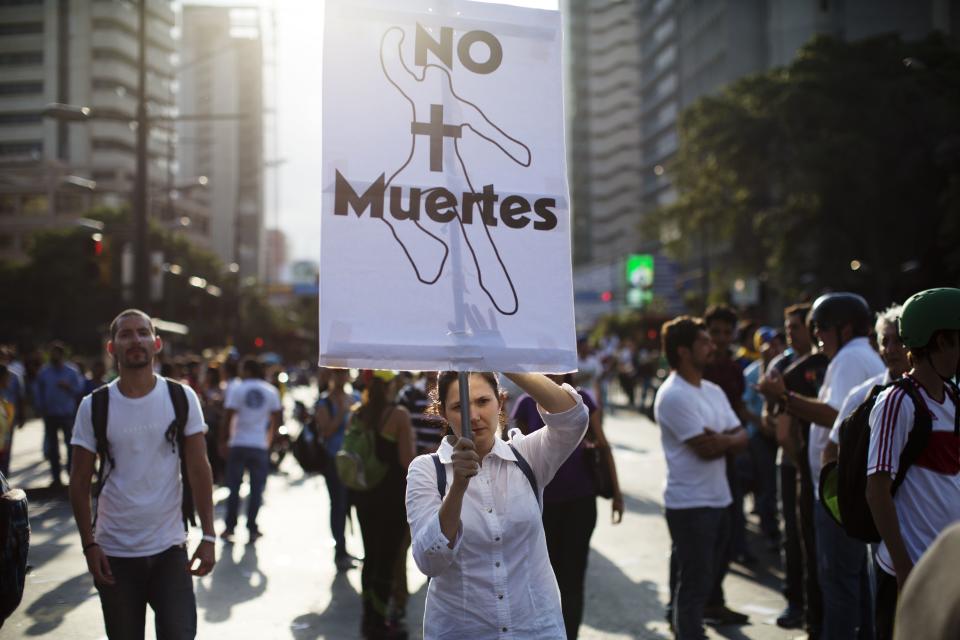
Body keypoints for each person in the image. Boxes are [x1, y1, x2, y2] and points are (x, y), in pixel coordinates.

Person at [68, 309, 215, 639]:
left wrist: (208, 535)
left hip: (170, 550)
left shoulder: (181, 397)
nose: (135, 340)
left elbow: (198, 468)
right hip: (114, 554)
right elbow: (78, 482)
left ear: (157, 343)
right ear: (112, 348)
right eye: (125, 334)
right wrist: (89, 546)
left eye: (142, 333)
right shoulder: (94, 406)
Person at [406, 371, 587, 638]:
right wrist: (457, 488)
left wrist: (506, 361)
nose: (474, 416)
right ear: (442, 412)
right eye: (459, 407)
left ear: (500, 402)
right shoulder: (427, 471)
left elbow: (573, 419)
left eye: (483, 401)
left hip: (535, 629)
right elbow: (429, 561)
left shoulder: (526, 456)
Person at [760, 292, 884, 640]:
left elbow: (834, 416)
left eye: (821, 329)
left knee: (839, 584)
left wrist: (784, 398)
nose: (818, 338)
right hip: (841, 489)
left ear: (844, 328)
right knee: (853, 581)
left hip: (837, 493)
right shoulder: (853, 356)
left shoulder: (850, 358)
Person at [866, 288, 960, 640]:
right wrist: (904, 566)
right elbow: (877, 491)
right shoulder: (896, 402)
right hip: (910, 571)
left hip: (949, 571)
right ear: (939, 342)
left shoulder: (953, 397)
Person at [656, 316, 748, 639]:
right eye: (704, 342)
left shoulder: (712, 390)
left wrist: (722, 440)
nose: (713, 346)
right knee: (694, 587)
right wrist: (728, 441)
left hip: (719, 498)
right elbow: (705, 450)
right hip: (691, 505)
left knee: (704, 580)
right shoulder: (673, 395)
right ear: (683, 351)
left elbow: (742, 437)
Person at [511, 374, 624, 639]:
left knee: (572, 579)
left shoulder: (582, 401)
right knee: (541, 580)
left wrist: (617, 493)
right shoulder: (527, 403)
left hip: (580, 503)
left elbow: (604, 445)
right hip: (541, 506)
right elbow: (516, 454)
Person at [767, 303, 825, 634]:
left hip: (821, 468)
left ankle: (819, 609)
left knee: (820, 543)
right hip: (791, 464)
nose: (791, 333)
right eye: (787, 327)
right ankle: (796, 601)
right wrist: (800, 460)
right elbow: (771, 417)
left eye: (797, 327)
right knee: (794, 534)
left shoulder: (827, 365)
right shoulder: (781, 366)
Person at [349, 370, 415, 639]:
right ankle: (381, 624)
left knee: (370, 557)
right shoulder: (398, 415)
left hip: (364, 494)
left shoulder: (357, 412)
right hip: (391, 499)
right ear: (391, 386)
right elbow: (406, 461)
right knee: (387, 561)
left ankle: (368, 619)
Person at [701, 305, 750, 625]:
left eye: (725, 332)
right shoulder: (697, 368)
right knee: (695, 538)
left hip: (729, 460)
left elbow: (740, 410)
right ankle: (686, 607)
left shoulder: (734, 370)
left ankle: (714, 600)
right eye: (714, 332)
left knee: (727, 534)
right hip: (701, 462)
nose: (719, 339)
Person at [219, 357, 282, 543]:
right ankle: (252, 528)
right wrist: (269, 441)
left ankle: (230, 527)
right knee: (256, 490)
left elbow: (228, 417)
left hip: (238, 443)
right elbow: (277, 419)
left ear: (247, 370)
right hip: (259, 445)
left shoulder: (238, 389)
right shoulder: (271, 391)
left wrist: (223, 440)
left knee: (234, 488)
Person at [314, 367, 360, 571]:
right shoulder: (324, 402)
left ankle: (349, 549)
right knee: (339, 505)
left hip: (355, 460)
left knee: (355, 506)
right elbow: (326, 432)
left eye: (344, 372)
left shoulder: (356, 397)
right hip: (334, 461)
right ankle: (340, 551)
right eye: (337, 373)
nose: (341, 377)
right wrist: (342, 412)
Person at [35, 341, 84, 486]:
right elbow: (38, 392)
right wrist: (40, 408)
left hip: (67, 414)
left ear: (62, 355)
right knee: (53, 447)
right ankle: (56, 478)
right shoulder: (44, 372)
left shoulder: (72, 371)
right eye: (52, 353)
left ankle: (71, 474)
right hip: (50, 414)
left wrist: (68, 386)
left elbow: (79, 390)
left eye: (56, 353)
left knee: (70, 445)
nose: (53, 356)